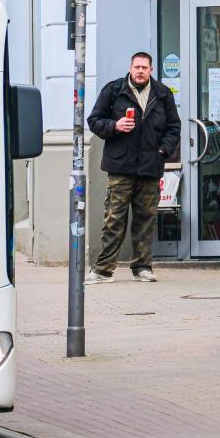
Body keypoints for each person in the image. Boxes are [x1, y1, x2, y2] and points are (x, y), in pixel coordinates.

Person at [85, 52, 181, 284]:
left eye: (145, 68)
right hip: (120, 166)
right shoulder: (114, 90)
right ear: (130, 68)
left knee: (145, 220)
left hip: (150, 166)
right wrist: (115, 125)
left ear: (151, 70)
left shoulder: (162, 94)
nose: (140, 71)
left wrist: (162, 151)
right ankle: (103, 269)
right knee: (113, 219)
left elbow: (174, 127)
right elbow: (94, 120)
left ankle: (142, 268)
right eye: (137, 67)